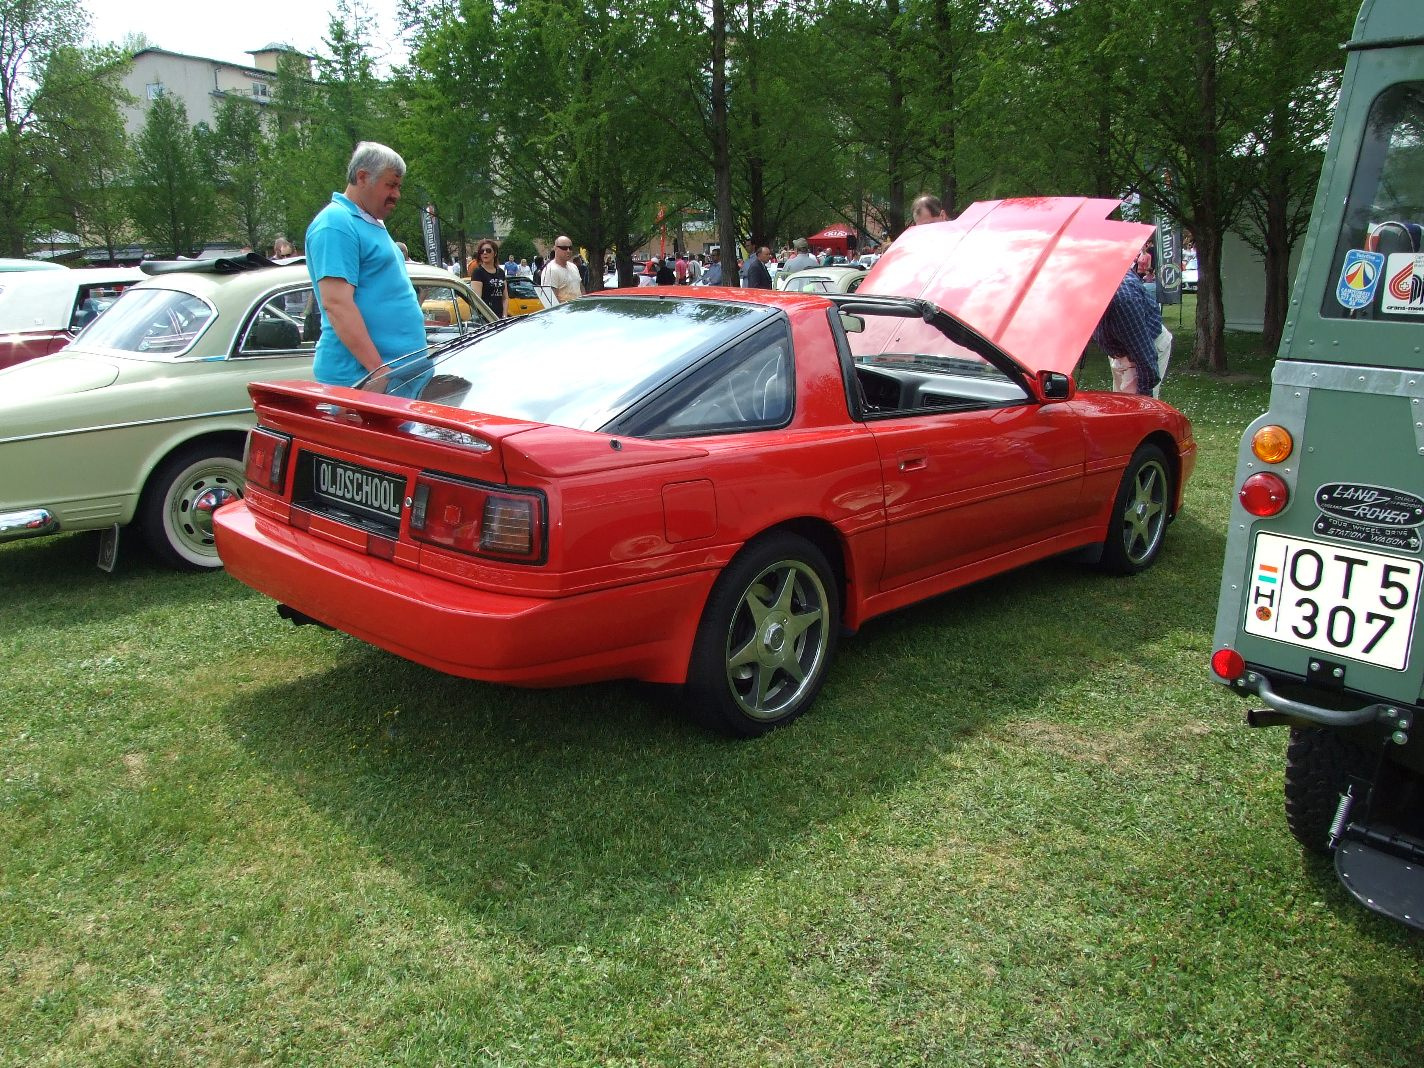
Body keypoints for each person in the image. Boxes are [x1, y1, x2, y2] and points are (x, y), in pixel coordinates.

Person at [305, 141, 429, 399]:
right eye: (391, 185)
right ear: (362, 177)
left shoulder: (368, 222)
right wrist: (378, 371)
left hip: (395, 376)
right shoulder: (336, 223)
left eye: (399, 186)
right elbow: (336, 304)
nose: (397, 194)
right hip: (365, 379)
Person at [1090, 269, 1172, 398]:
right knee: (1118, 406)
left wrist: (1143, 401)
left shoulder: (1123, 301)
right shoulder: (1086, 289)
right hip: (1121, 350)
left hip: (1144, 349)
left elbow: (1146, 358)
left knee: (1134, 411)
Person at [469, 238, 507, 317]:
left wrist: (504, 316)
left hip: (499, 318)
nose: (485, 253)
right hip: (485, 318)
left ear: (495, 253)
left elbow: (505, 298)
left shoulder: (501, 272)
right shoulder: (478, 272)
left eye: (488, 250)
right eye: (482, 251)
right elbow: (477, 301)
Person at [542, 236, 583, 303]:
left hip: (578, 310)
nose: (568, 251)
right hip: (563, 312)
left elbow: (581, 288)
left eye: (570, 248)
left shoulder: (573, 267)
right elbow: (550, 301)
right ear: (555, 248)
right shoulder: (551, 270)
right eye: (564, 248)